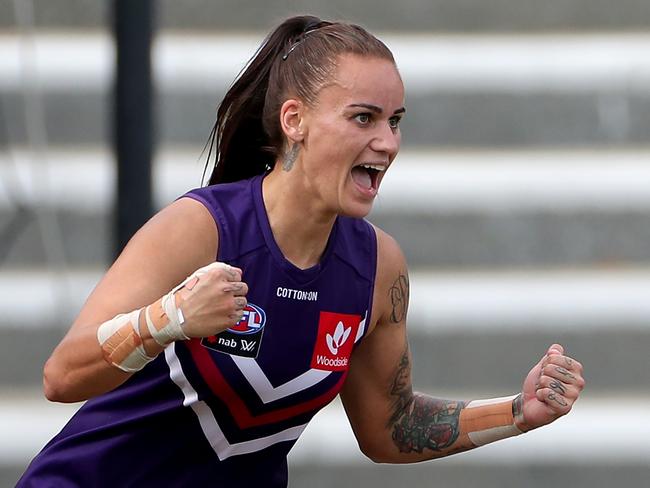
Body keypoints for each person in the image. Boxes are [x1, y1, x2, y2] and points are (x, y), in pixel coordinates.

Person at [18, 15, 585, 487]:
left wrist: (518, 412)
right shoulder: (203, 228)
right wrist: (167, 320)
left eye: (395, 121)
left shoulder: (377, 268)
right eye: (363, 117)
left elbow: (390, 427)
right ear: (295, 121)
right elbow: (61, 377)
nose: (387, 142)